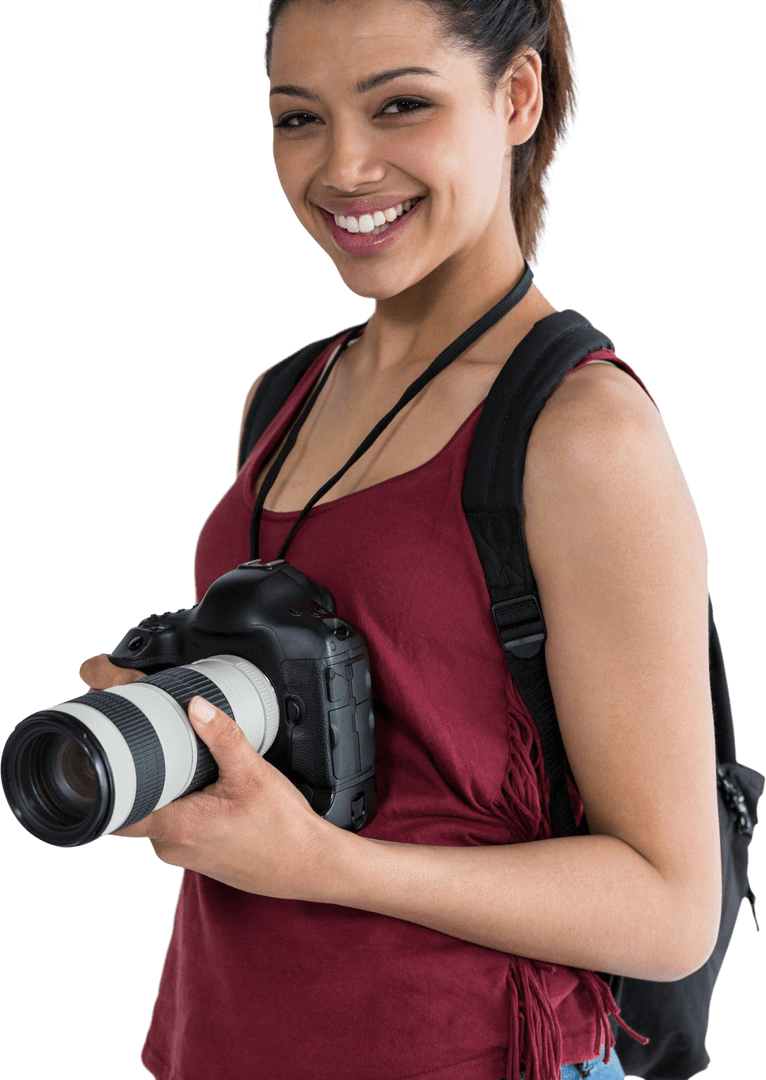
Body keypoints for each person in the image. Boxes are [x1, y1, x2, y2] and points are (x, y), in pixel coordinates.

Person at [78, 2, 722, 1078]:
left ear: (516, 97)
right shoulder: (283, 395)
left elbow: (668, 909)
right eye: (298, 119)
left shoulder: (582, 433)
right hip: (224, 1039)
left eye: (401, 106)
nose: (343, 166)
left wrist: (327, 865)